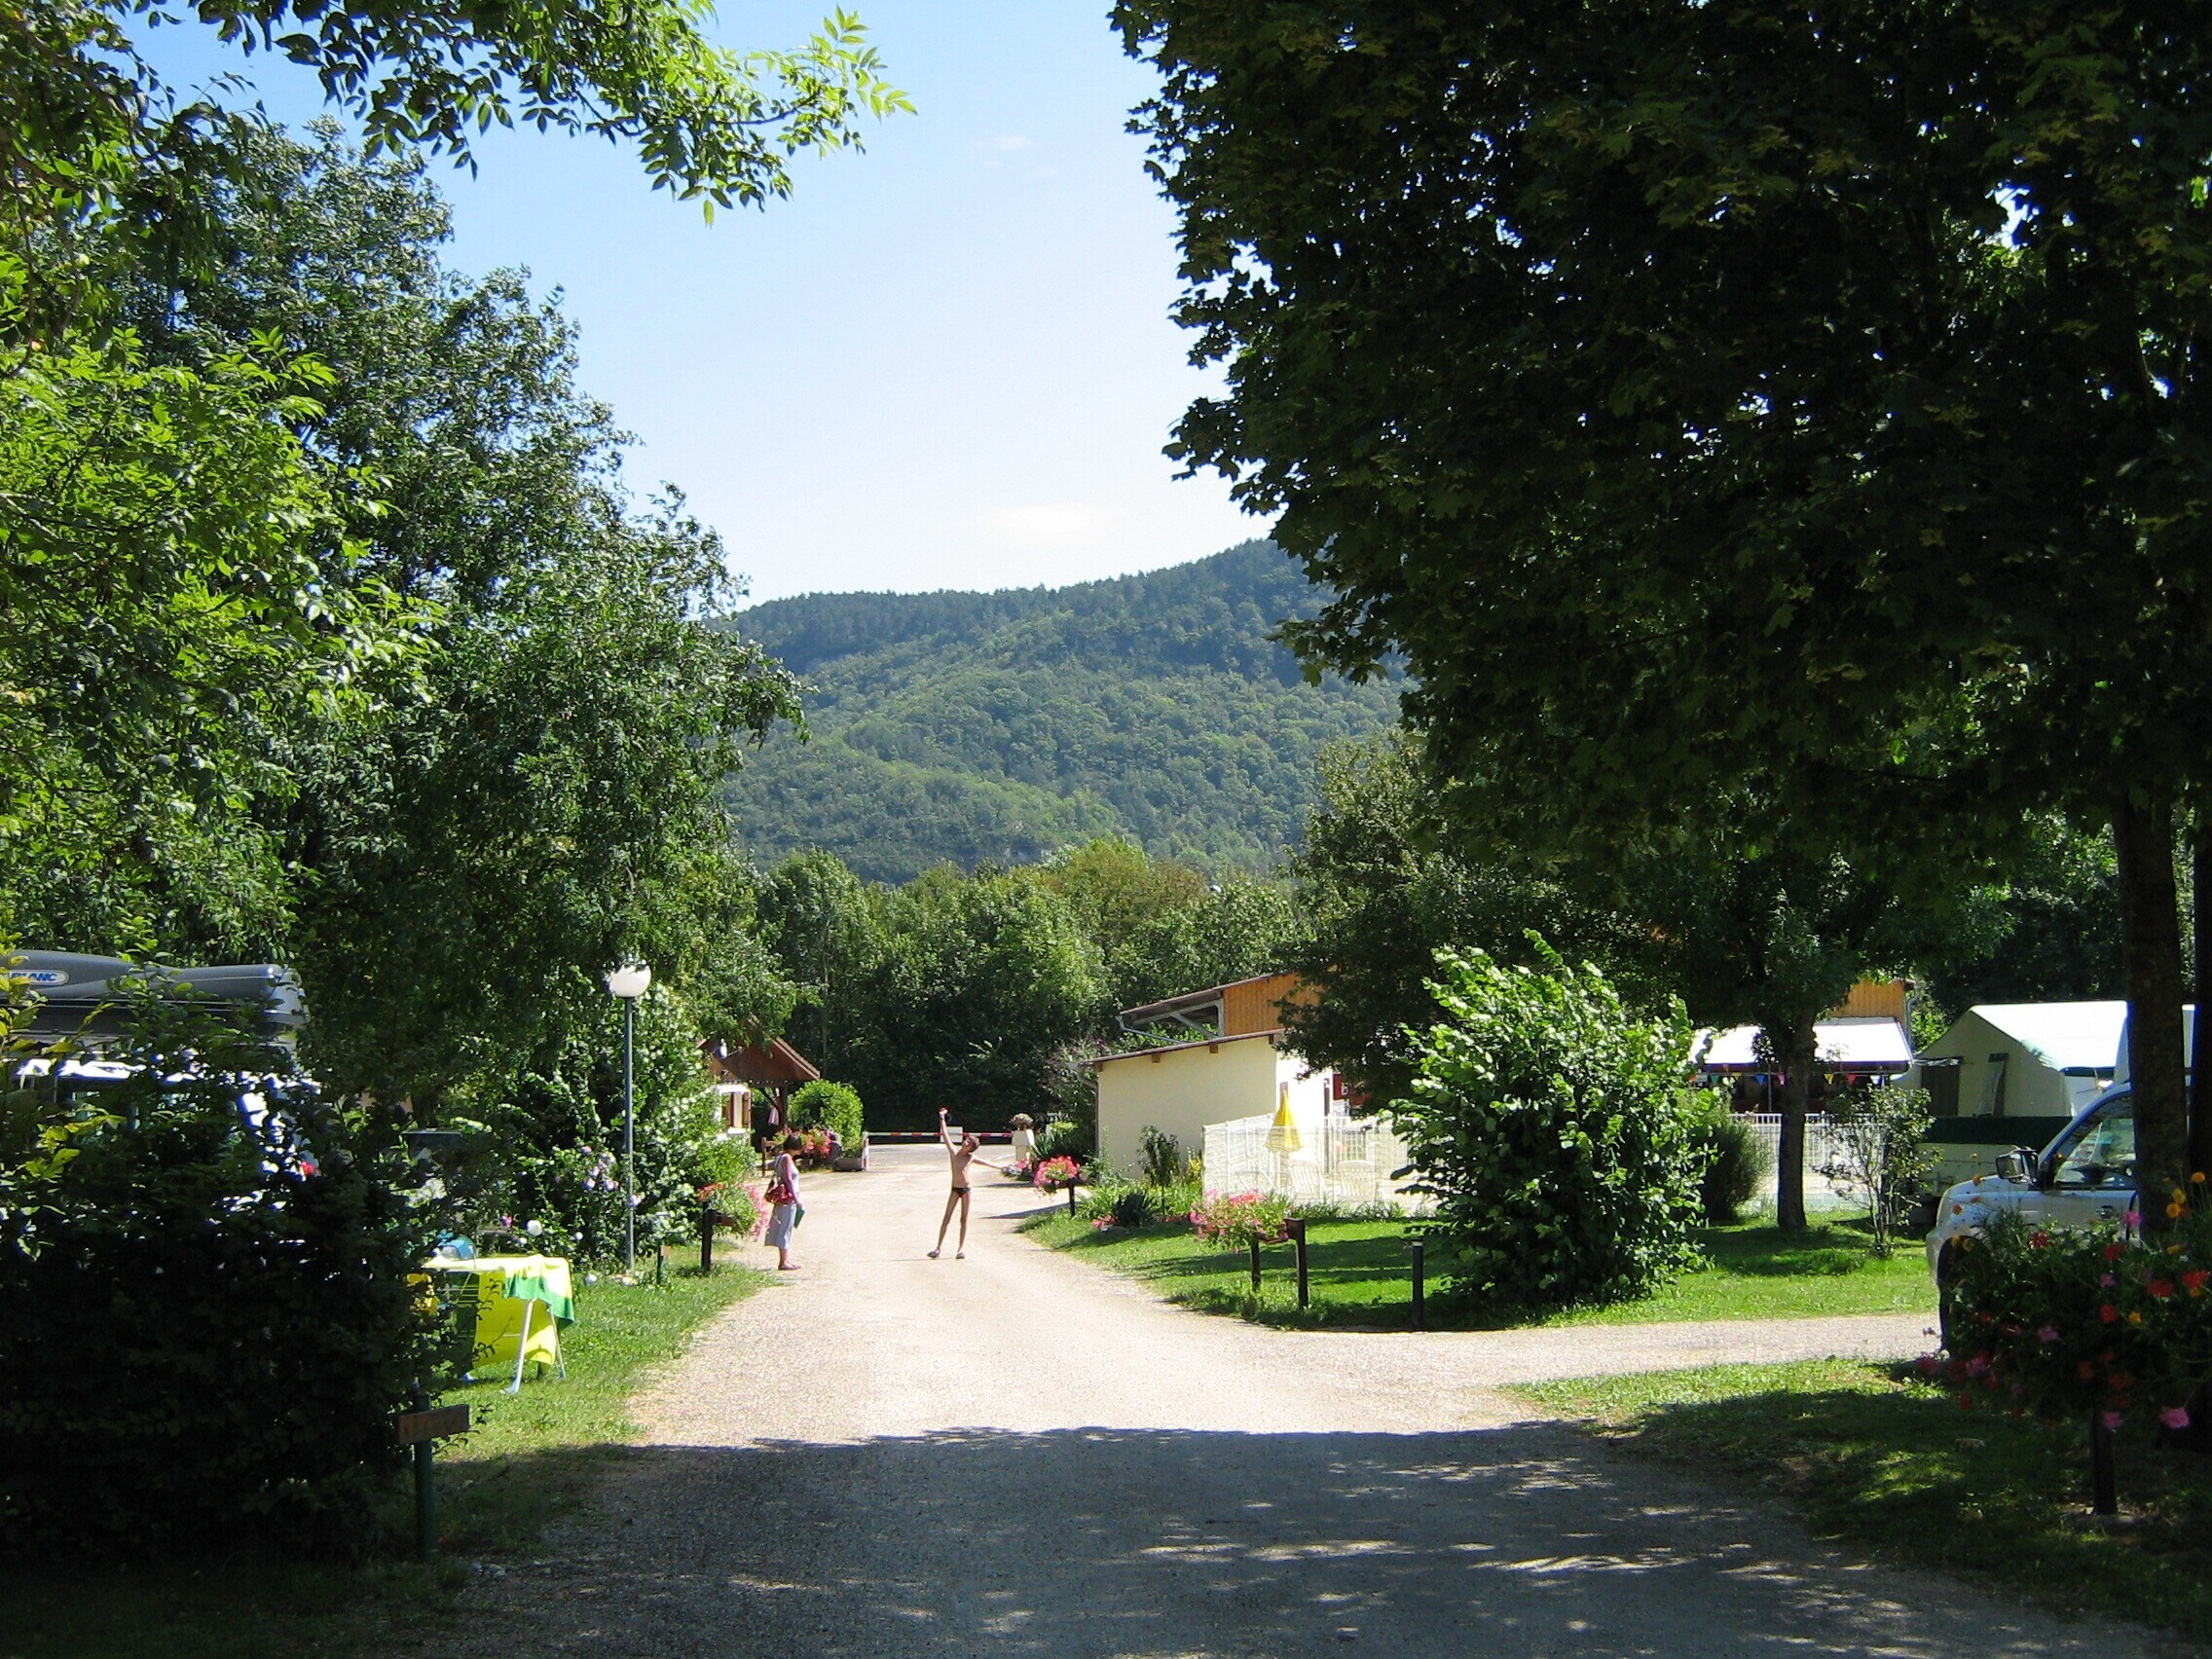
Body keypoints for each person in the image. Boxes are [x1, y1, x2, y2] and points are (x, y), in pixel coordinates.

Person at [931, 1107, 1008, 1260]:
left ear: (972, 1148)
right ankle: (938, 1248)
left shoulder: (971, 1157)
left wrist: (1004, 1167)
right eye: (965, 1141)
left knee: (964, 1219)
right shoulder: (954, 1153)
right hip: (955, 1189)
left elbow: (988, 1163)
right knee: (947, 1217)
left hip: (966, 1189)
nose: (964, 1143)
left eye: (968, 1143)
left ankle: (960, 1249)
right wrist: (941, 1118)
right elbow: (945, 1134)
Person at [763, 1131, 803, 1271]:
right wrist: (796, 1198)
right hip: (788, 1199)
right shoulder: (786, 1158)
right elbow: (788, 1179)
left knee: (784, 1227)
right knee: (785, 1228)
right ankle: (783, 1262)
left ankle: (785, 1259)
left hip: (784, 1199)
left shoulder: (781, 1157)